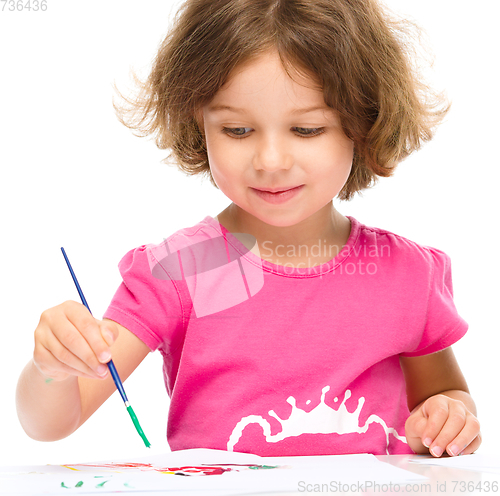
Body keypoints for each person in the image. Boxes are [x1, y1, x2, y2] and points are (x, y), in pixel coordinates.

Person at [16, 0, 481, 457]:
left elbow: (445, 399)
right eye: (238, 131)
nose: (271, 161)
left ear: (364, 121)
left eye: (307, 130)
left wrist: (447, 418)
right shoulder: (187, 268)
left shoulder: (402, 275)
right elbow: (54, 422)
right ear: (198, 122)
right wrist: (52, 368)